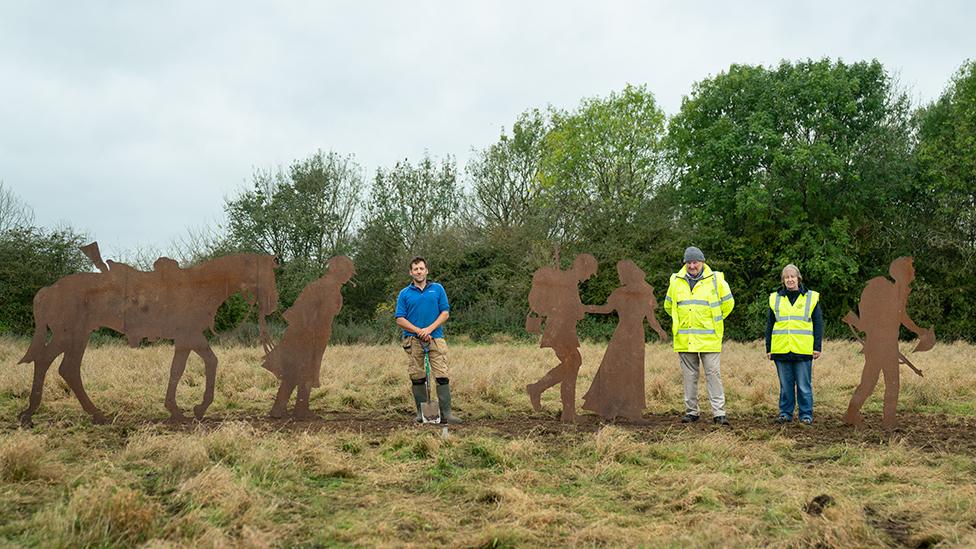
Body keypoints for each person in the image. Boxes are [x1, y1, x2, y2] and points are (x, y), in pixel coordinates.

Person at [843, 257, 932, 429]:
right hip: (877, 345)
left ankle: (888, 422)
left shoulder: (902, 291)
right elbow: (874, 317)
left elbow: (902, 316)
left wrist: (919, 331)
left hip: (890, 344)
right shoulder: (883, 289)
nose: (913, 272)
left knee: (893, 384)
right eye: (910, 269)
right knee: (869, 382)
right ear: (902, 272)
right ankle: (851, 414)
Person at [264, 256, 355, 419]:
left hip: (299, 333)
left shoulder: (321, 284)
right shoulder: (329, 288)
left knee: (293, 372)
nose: (349, 275)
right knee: (306, 372)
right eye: (348, 271)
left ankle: (279, 408)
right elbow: (323, 317)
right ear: (341, 272)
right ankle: (301, 410)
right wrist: (316, 338)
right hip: (308, 336)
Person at [581, 260, 668, 421]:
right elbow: (606, 309)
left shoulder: (641, 293)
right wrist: (587, 307)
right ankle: (612, 408)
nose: (620, 276)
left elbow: (651, 319)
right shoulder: (626, 293)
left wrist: (660, 331)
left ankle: (632, 411)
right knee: (616, 370)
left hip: (628, 336)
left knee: (631, 371)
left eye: (621, 273)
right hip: (627, 336)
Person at [663, 246, 734, 426]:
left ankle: (719, 413)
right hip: (685, 339)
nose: (692, 265)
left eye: (695, 262)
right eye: (688, 262)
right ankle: (691, 412)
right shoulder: (676, 281)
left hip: (710, 338)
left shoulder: (717, 280)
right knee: (689, 376)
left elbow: (728, 304)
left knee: (713, 375)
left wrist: (712, 321)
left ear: (702, 262)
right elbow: (668, 306)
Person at [525, 254, 598, 423]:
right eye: (589, 273)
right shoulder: (568, 282)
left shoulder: (567, 281)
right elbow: (574, 310)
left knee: (572, 364)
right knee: (572, 364)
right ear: (582, 268)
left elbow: (576, 309)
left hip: (562, 329)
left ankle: (538, 390)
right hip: (560, 330)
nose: (588, 278)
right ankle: (567, 412)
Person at [395, 256, 460, 424]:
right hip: (413, 340)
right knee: (417, 376)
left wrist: (429, 330)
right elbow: (400, 318)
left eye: (421, 268)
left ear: (426, 270)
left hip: (435, 338)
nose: (419, 271)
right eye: (415, 269)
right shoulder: (404, 294)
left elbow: (445, 312)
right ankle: (422, 414)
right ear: (411, 272)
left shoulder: (437, 289)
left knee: (442, 375)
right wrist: (419, 331)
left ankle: (446, 414)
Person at [765, 264, 823, 425]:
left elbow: (818, 324)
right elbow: (770, 325)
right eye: (786, 277)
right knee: (785, 386)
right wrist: (768, 348)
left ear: (798, 278)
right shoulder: (774, 298)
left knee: (804, 386)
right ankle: (785, 413)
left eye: (792, 277)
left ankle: (806, 415)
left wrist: (817, 347)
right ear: (783, 280)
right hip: (781, 349)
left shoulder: (811, 298)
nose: (790, 280)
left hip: (803, 349)